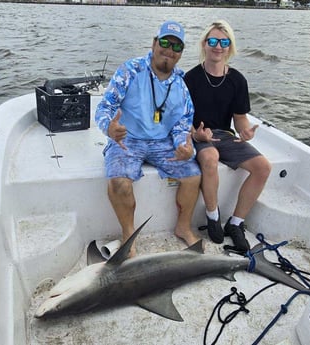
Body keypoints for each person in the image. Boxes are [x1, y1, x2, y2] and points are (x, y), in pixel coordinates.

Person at [95, 20, 202, 257]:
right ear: (154, 43)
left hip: (162, 142)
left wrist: (184, 147)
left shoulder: (181, 88)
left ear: (181, 53)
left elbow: (183, 124)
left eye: (177, 47)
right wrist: (109, 129)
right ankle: (129, 236)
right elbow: (106, 106)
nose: (169, 50)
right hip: (127, 138)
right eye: (165, 42)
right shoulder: (130, 70)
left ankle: (183, 227)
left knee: (193, 176)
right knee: (119, 183)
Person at [184, 20, 271, 254]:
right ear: (204, 44)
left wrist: (245, 130)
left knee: (263, 167)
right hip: (200, 135)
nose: (218, 46)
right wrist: (196, 134)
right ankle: (213, 216)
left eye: (224, 42)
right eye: (212, 41)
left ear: (230, 46)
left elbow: (240, 117)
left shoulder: (237, 80)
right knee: (210, 157)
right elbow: (181, 120)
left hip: (225, 134)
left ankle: (236, 224)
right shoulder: (190, 79)